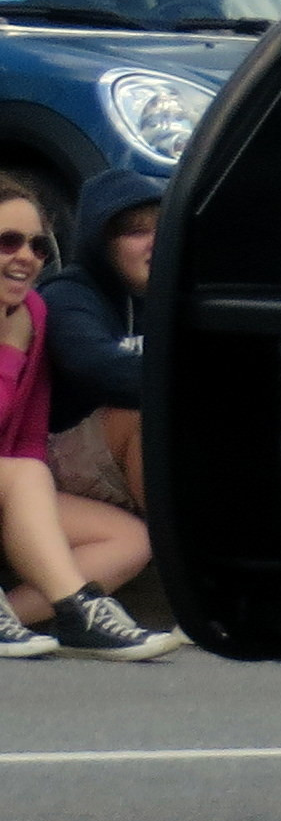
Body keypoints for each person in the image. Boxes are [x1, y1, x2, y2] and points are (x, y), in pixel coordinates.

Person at [0, 176, 182, 660]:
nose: (26, 256)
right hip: (17, 472)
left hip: (13, 478)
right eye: (8, 241)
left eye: (38, 245)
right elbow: (96, 368)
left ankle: (19, 617)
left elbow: (29, 434)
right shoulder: (64, 298)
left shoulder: (32, 313)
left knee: (129, 540)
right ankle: (84, 605)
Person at [40, 169, 159, 522]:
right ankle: (176, 551)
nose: (155, 241)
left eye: (163, 229)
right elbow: (95, 367)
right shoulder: (67, 295)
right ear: (101, 242)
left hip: (110, 447)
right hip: (52, 453)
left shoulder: (168, 295)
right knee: (146, 415)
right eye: (137, 232)